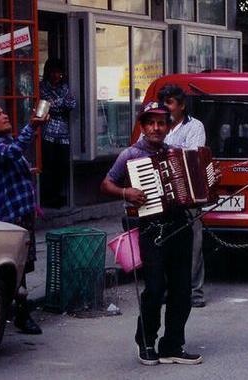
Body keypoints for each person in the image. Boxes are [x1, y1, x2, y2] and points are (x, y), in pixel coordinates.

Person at [100, 101, 203, 366]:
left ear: (168, 127)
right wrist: (126, 192)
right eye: (151, 123)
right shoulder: (130, 155)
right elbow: (106, 184)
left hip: (180, 228)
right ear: (143, 126)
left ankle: (172, 345)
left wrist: (204, 186)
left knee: (182, 290)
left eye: (161, 123)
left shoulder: (176, 153)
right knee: (155, 289)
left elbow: (194, 189)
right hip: (151, 230)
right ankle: (145, 341)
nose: (156, 128)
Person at [0, 103, 48, 335]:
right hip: (7, 217)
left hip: (22, 213)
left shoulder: (6, 140)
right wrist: (31, 127)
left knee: (24, 266)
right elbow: (11, 155)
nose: (5, 115)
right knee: (11, 266)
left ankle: (20, 314)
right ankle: (17, 315)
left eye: (5, 112)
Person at [158, 84, 207, 308]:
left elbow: (192, 156)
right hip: (162, 193)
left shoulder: (194, 126)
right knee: (166, 242)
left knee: (194, 244)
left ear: (181, 105)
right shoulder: (157, 125)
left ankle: (195, 292)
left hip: (188, 193)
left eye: (169, 102)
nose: (165, 107)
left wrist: (165, 149)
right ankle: (170, 289)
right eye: (163, 102)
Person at [39, 58, 76, 208]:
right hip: (47, 130)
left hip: (63, 133)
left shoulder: (64, 87)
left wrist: (57, 103)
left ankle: (57, 196)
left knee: (61, 166)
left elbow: (72, 103)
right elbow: (46, 106)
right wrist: (60, 102)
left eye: (59, 73)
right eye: (53, 72)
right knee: (48, 164)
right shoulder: (42, 87)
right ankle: (47, 197)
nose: (56, 76)